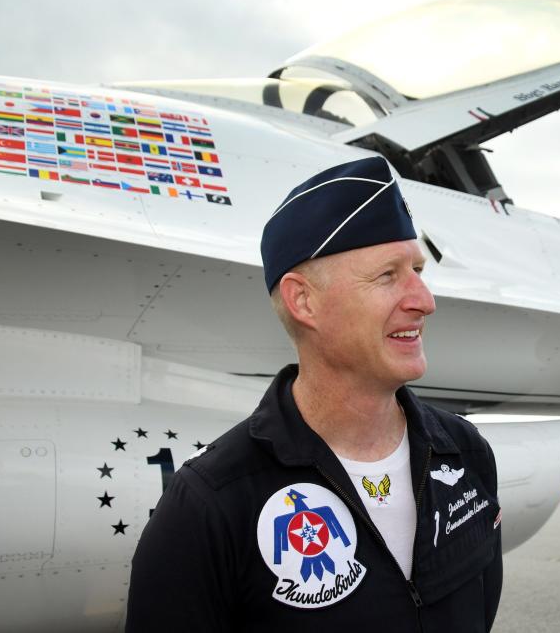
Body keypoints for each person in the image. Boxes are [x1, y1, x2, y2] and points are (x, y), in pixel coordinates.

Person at [126, 157, 503, 631]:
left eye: (418, 270)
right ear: (303, 300)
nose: (424, 301)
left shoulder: (465, 454)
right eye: (387, 275)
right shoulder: (211, 503)